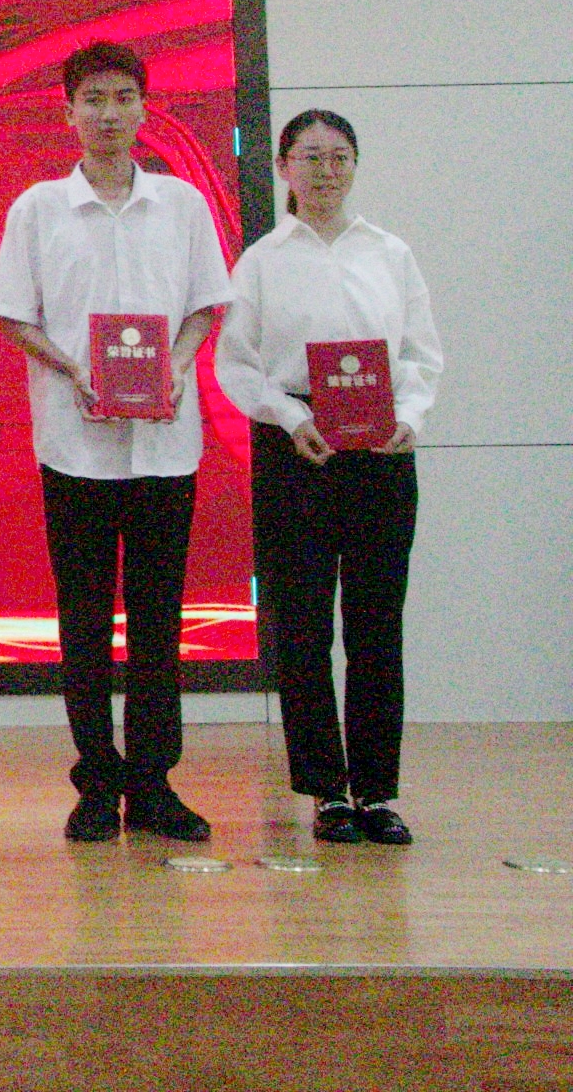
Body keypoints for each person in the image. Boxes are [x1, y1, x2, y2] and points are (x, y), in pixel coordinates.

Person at [0, 42, 234, 845]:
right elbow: (13, 317)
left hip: (166, 445)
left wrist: (174, 365)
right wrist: (75, 370)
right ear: (68, 112)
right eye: (93, 99)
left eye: (124, 97)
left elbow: (206, 306)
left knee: (160, 619)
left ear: (144, 108)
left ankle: (155, 784)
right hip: (76, 446)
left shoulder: (182, 204)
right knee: (85, 618)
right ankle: (96, 782)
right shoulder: (38, 208)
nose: (109, 113)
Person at [215, 109, 442, 846]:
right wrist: (288, 417)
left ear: (355, 165)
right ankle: (326, 791)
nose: (326, 171)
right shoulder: (262, 261)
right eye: (310, 157)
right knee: (304, 627)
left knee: (377, 625)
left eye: (339, 157)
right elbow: (237, 362)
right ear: (283, 167)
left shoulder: (390, 252)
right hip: (298, 449)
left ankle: (377, 791)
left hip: (381, 450)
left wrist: (410, 415)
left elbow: (420, 353)